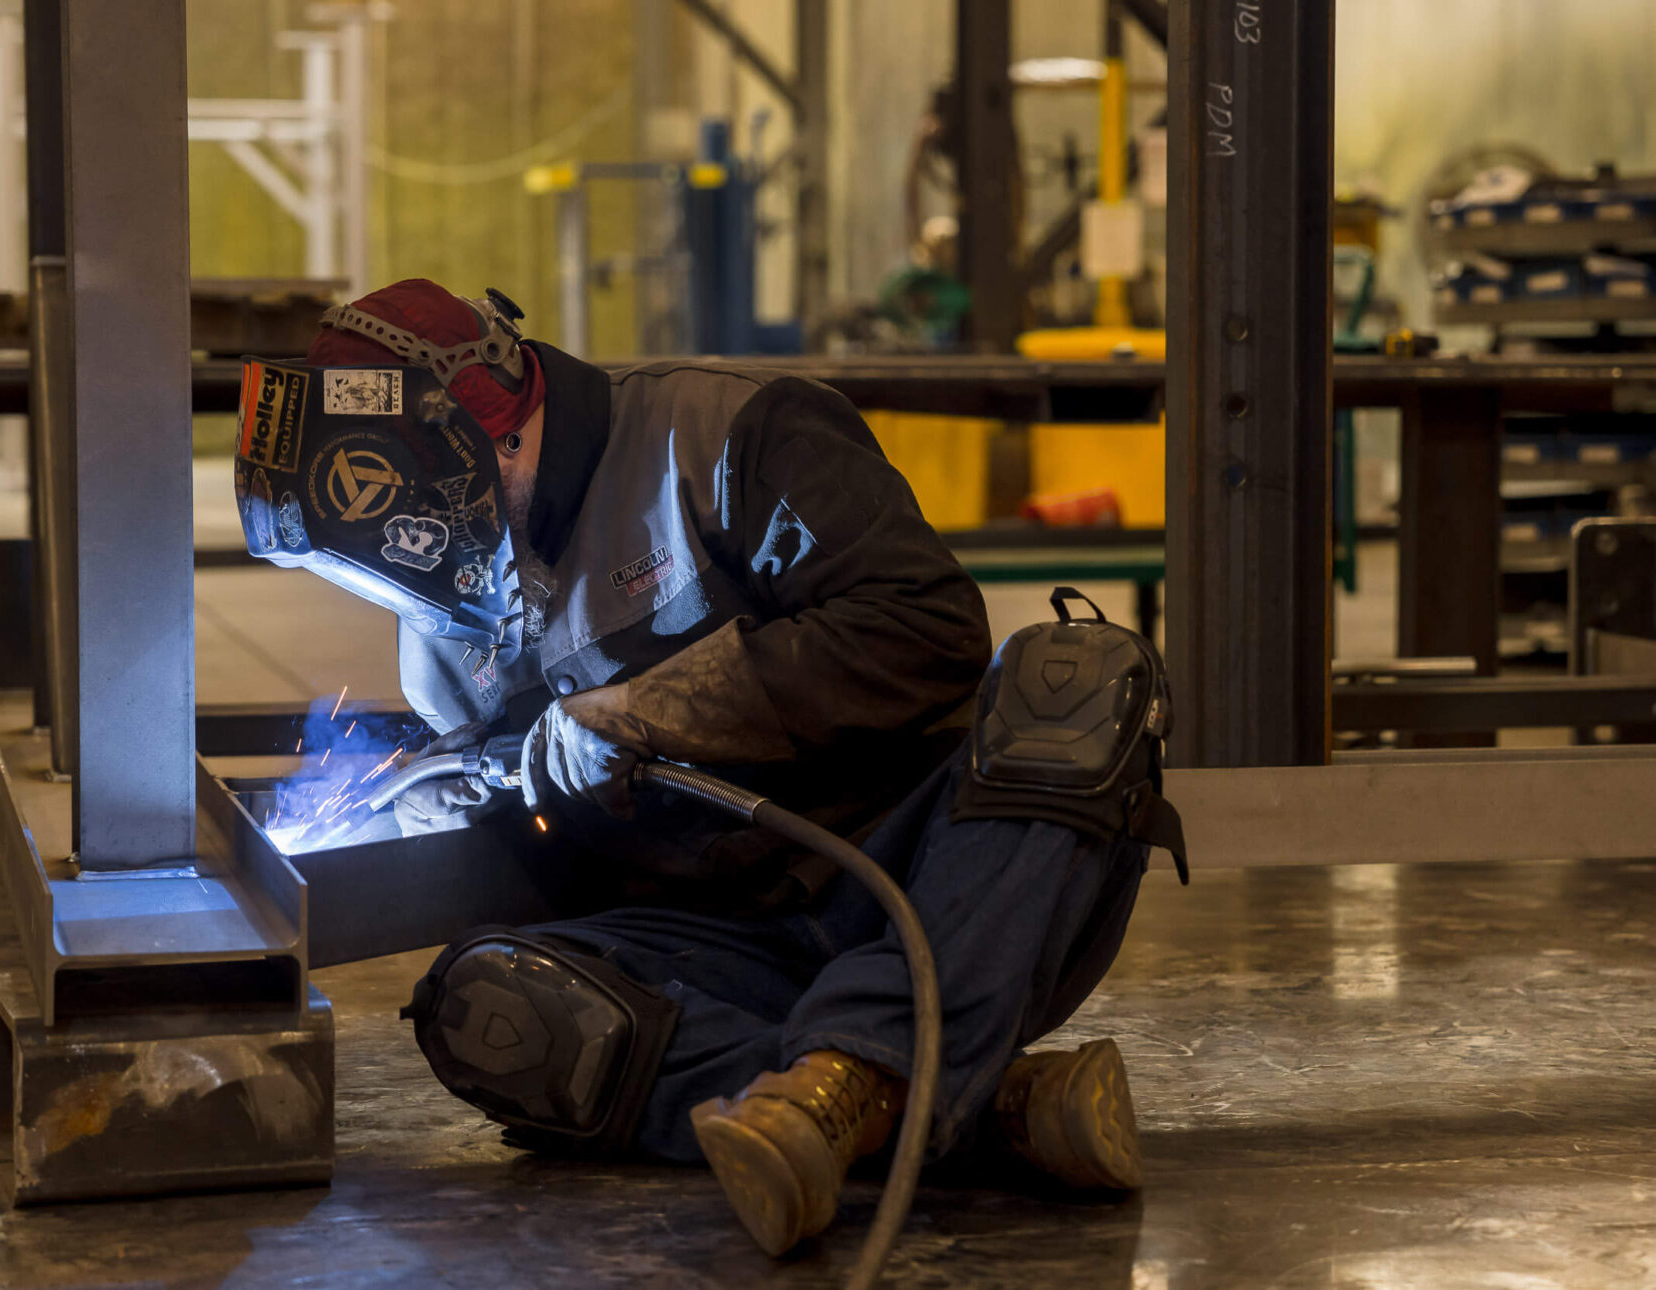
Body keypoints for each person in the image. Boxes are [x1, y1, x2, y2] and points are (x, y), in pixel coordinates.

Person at [235, 277, 1177, 1256]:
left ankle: (861, 1076)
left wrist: (653, 709)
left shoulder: (728, 431)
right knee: (484, 1006)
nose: (431, 574)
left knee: (1078, 678)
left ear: (491, 434)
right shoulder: (442, 620)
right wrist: (477, 804)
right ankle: (931, 1098)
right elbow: (548, 872)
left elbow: (926, 630)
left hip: (932, 885)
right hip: (725, 947)